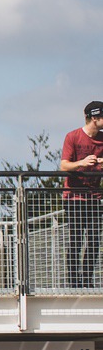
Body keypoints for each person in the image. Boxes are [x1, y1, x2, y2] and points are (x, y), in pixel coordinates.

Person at [60, 101, 103, 289]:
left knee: (94, 239)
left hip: (95, 197)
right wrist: (82, 162)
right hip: (74, 197)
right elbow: (64, 166)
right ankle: (73, 282)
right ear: (94, 118)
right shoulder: (73, 137)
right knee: (76, 238)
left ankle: (87, 280)